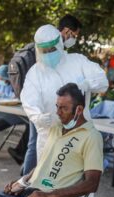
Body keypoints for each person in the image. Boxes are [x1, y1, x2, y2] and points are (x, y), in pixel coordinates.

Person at [20, 24, 108, 197]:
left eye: (52, 49)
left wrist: (87, 83)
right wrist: (41, 118)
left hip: (81, 142)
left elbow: (102, 81)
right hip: (50, 143)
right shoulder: (35, 73)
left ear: (60, 44)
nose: (49, 55)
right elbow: (29, 104)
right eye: (44, 51)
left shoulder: (78, 61)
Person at [8, 14, 83, 175]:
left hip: (46, 105)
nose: (74, 39)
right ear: (67, 31)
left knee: (36, 142)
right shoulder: (49, 46)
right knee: (36, 141)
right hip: (43, 106)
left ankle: (29, 178)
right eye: (74, 35)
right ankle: (27, 180)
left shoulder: (54, 47)